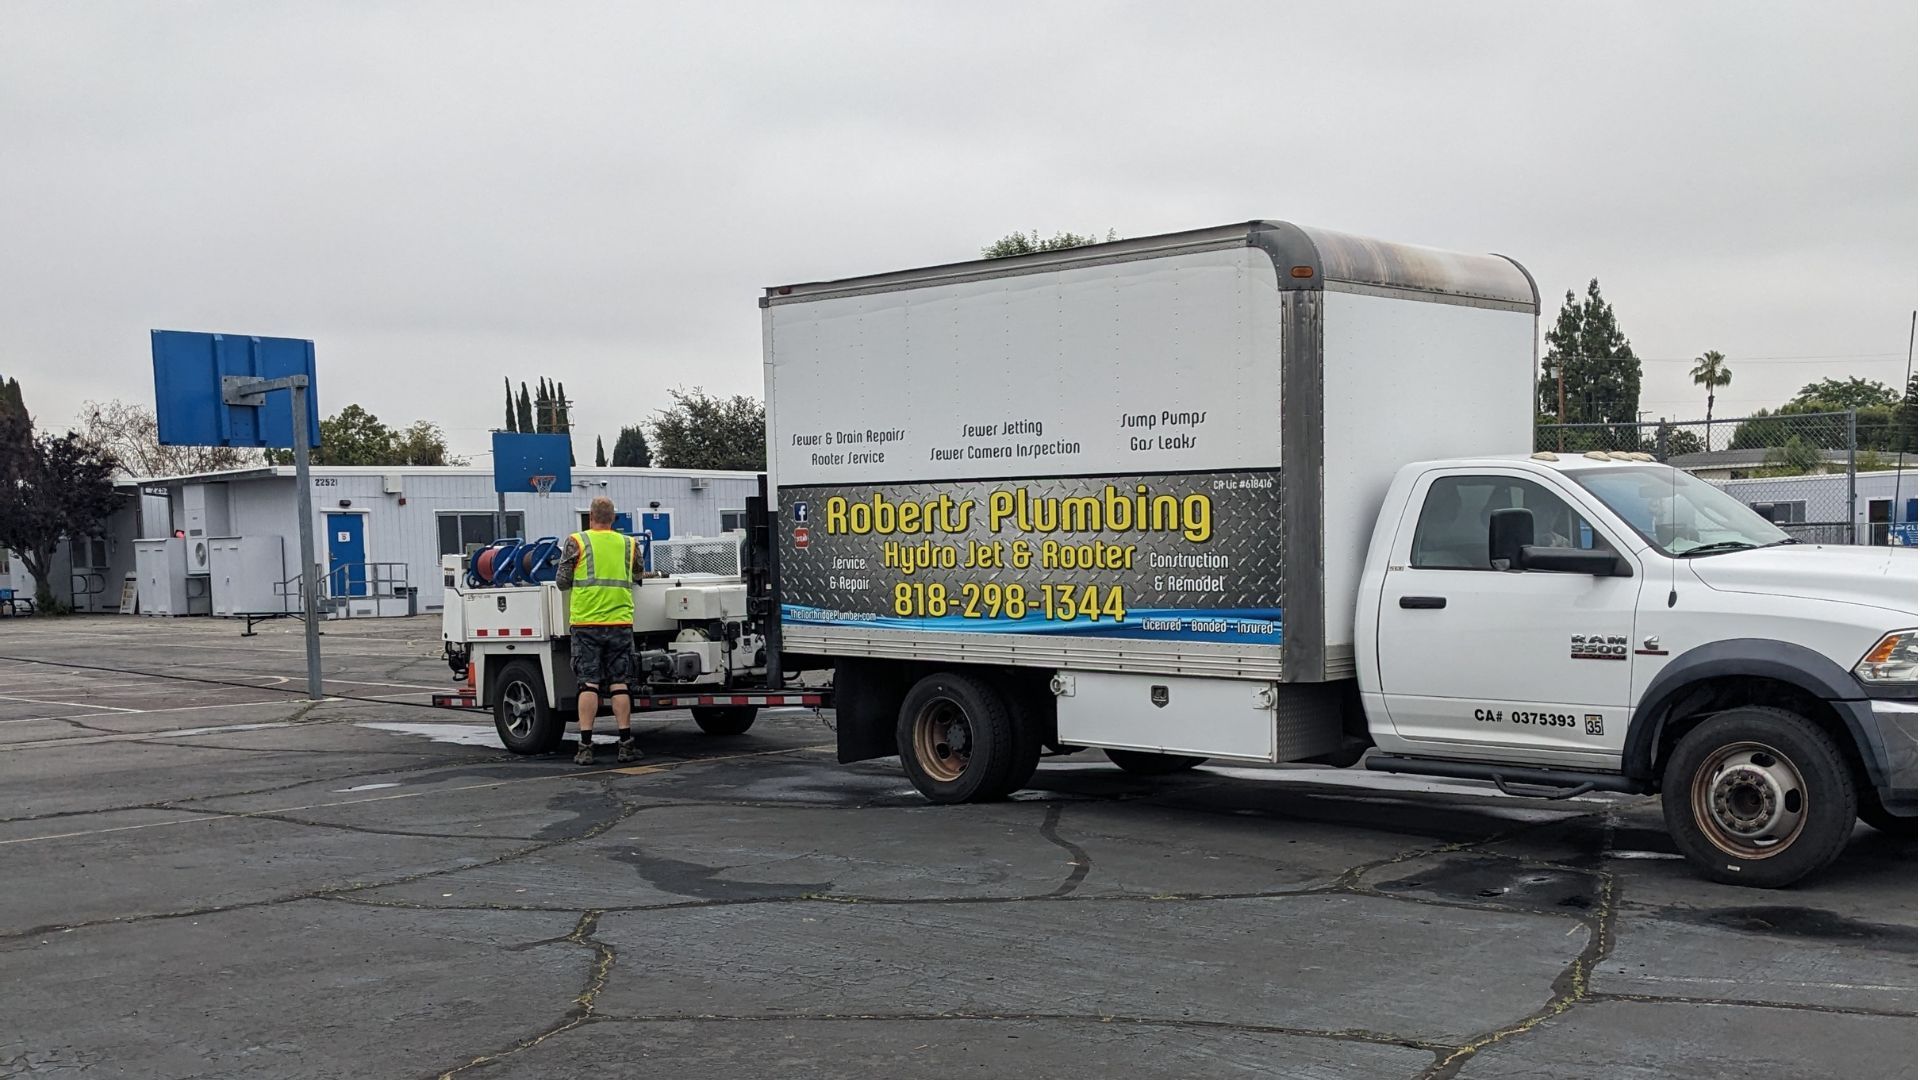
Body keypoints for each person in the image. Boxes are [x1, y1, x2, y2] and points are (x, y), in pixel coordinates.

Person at [558, 496, 648, 765]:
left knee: (589, 683)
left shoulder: (576, 541)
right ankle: (626, 744)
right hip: (620, 621)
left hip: (586, 623)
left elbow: (563, 582)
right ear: (614, 518)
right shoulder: (629, 544)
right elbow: (639, 576)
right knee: (620, 683)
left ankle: (585, 746)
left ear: (590, 516)